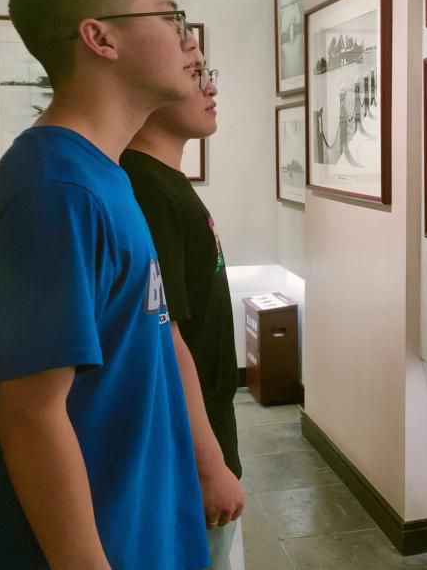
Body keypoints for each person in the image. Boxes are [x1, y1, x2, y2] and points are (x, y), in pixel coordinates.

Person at [0, 0, 209, 570]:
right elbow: (29, 417)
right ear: (100, 38)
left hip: (140, 529)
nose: (188, 40)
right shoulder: (56, 191)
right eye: (170, 18)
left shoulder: (104, 175)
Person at [122, 66, 245, 568]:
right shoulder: (145, 188)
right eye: (194, 74)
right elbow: (165, 339)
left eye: (207, 73)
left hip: (205, 432)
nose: (211, 87)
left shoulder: (164, 182)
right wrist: (208, 465)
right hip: (183, 452)